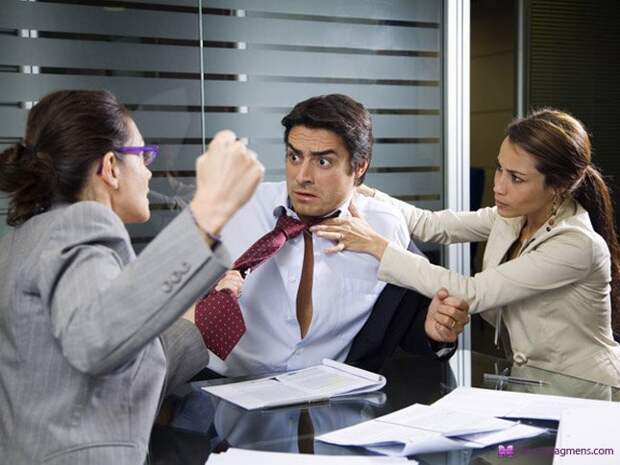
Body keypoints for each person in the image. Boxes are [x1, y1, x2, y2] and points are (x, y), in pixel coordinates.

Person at [0, 90, 263, 464]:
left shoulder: (21, 241)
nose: (150, 171)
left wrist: (189, 322)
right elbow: (96, 340)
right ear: (110, 167)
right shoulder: (81, 225)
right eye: (144, 156)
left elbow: (94, 380)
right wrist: (209, 211)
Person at [313, 109, 620, 387]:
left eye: (516, 178)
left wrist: (377, 246)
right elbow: (430, 224)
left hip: (587, 392)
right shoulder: (513, 217)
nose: (499, 186)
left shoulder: (577, 244)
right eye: (500, 169)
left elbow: (471, 292)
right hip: (533, 384)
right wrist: (355, 188)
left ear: (558, 186)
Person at [206, 94, 469, 377]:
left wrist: (434, 330)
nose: (302, 176)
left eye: (323, 162)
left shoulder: (384, 227)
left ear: (359, 167)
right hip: (224, 386)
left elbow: (410, 321)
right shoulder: (237, 208)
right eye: (294, 157)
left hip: (331, 394)